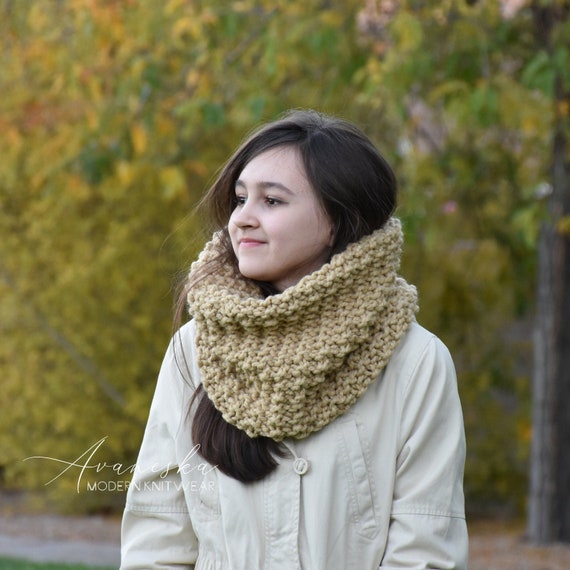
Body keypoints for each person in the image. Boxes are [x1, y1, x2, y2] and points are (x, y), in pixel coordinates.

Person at [120, 109, 468, 569]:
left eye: (273, 201)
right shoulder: (194, 347)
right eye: (241, 199)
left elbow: (425, 552)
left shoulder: (415, 361)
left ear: (338, 221)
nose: (242, 219)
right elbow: (158, 537)